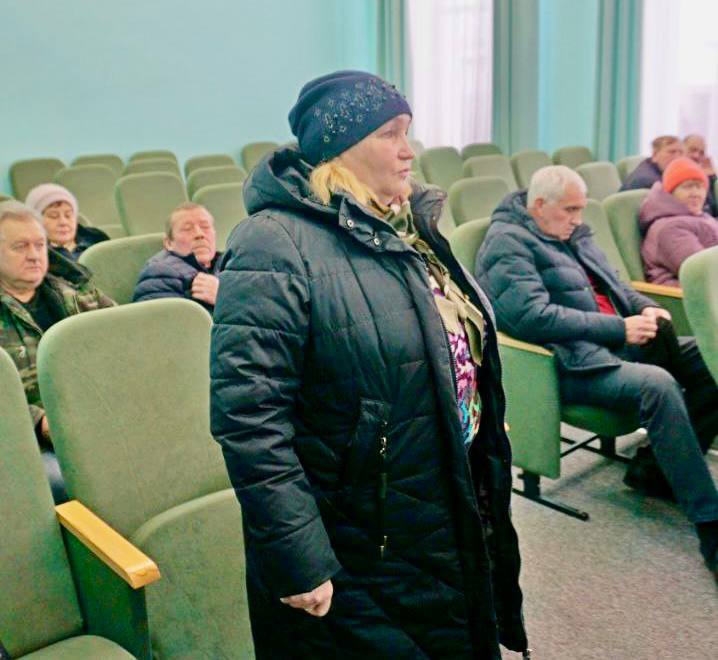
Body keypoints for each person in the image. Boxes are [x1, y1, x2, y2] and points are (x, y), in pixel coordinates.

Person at [210, 71, 529, 659]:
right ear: (340, 148)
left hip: (438, 499)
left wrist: (476, 415)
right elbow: (249, 419)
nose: (410, 150)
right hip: (355, 537)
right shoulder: (272, 243)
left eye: (409, 131)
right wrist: (299, 557)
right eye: (390, 134)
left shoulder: (408, 227)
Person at [475, 165, 718, 582]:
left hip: (615, 342)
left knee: (711, 358)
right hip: (572, 363)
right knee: (658, 386)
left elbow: (616, 285)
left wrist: (646, 307)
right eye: (569, 210)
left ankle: (656, 471)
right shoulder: (506, 243)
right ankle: (710, 523)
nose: (578, 218)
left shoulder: (572, 232)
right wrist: (618, 328)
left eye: (580, 209)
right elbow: (531, 317)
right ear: (539, 205)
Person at [0, 201, 115, 502]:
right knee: (61, 482)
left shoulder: (79, 294)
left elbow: (124, 344)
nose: (34, 254)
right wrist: (39, 421)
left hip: (97, 413)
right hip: (27, 438)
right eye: (20, 246)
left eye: (39, 245)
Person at [640, 157, 718, 286]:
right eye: (687, 187)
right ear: (671, 192)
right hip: (684, 294)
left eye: (699, 187)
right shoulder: (670, 228)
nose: (695, 193)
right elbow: (701, 272)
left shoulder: (702, 216)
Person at [133, 202, 221, 311]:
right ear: (169, 243)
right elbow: (168, 319)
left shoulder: (232, 263)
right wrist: (223, 299)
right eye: (187, 229)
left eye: (205, 227)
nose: (199, 234)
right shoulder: (160, 273)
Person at [25, 183, 109, 260]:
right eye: (53, 216)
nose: (63, 222)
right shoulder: (33, 256)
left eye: (68, 215)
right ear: (35, 221)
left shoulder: (96, 239)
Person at [683, 134, 717, 215]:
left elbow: (714, 210)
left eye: (701, 153)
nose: (696, 156)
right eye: (692, 150)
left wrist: (711, 178)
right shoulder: (672, 175)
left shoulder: (702, 177)